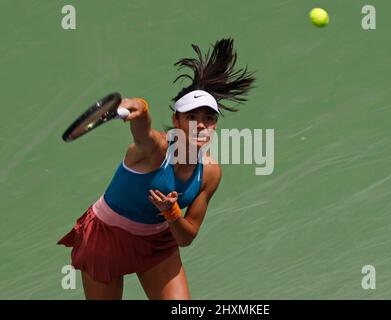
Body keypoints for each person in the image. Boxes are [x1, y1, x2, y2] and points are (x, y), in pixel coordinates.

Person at [57, 38, 255, 300]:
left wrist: (172, 213)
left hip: (156, 242)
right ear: (176, 119)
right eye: (191, 117)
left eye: (208, 118)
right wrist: (141, 108)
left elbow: (186, 237)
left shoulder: (209, 172)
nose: (200, 125)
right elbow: (143, 132)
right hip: (105, 238)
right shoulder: (155, 150)